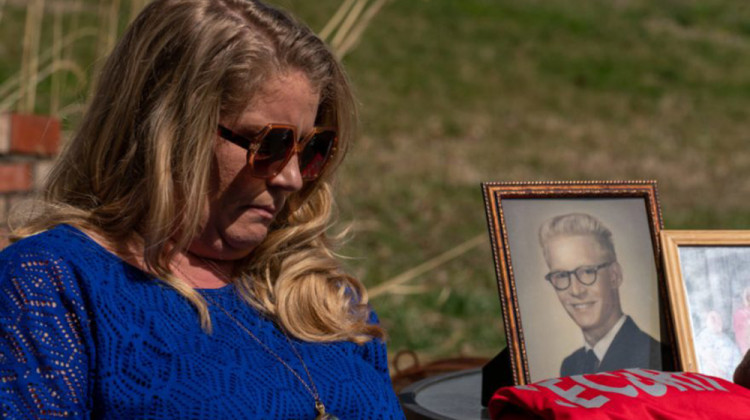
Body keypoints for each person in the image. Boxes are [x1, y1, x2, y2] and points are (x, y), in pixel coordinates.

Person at [0, 1, 404, 418]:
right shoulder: (51, 284)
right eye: (270, 144)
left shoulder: (323, 297)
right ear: (169, 132)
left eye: (311, 149)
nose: (293, 178)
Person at [538, 212, 661, 377]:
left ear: (614, 276)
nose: (576, 290)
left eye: (588, 272)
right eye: (561, 275)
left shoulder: (654, 358)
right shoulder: (571, 365)